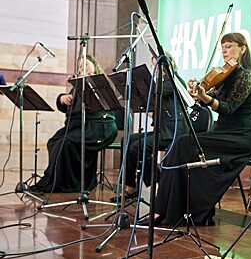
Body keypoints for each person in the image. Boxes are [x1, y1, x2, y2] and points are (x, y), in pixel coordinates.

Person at [151, 32, 251, 226]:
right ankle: (171, 210)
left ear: (242, 49)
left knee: (184, 143)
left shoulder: (246, 76)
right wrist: (198, 92)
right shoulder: (225, 75)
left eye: (229, 46)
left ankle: (170, 211)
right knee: (182, 145)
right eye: (222, 47)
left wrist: (206, 97)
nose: (224, 51)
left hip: (240, 137)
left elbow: (227, 108)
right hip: (224, 133)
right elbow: (202, 99)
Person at [32, 54, 118, 193]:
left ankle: (73, 183)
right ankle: (57, 180)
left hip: (100, 126)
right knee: (54, 141)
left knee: (65, 143)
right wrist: (62, 98)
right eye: (80, 66)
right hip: (81, 126)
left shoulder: (100, 83)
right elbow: (71, 106)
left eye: (86, 64)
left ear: (95, 67)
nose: (82, 67)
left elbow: (101, 103)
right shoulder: (78, 85)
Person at [116, 53, 188, 201]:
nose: (155, 70)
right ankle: (130, 185)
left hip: (173, 132)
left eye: (157, 66)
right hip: (162, 130)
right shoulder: (160, 84)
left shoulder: (174, 81)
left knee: (137, 147)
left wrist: (132, 79)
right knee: (127, 140)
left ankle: (160, 179)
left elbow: (153, 90)